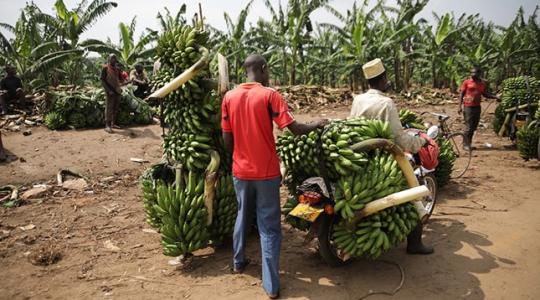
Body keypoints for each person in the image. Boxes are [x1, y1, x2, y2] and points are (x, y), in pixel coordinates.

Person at [221, 54, 327, 299]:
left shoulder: (229, 97)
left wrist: (240, 156)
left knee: (242, 215)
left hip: (240, 171)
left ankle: (238, 263)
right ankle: (271, 285)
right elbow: (293, 128)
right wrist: (316, 123)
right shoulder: (270, 95)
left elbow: (227, 140)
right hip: (266, 172)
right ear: (263, 68)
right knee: (268, 227)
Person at [350, 58, 434, 255]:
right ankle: (415, 243)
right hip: (384, 159)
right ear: (382, 79)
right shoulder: (386, 103)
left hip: (359, 157)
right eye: (386, 78)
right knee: (412, 190)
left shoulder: (358, 100)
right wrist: (421, 141)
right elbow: (400, 139)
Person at [458, 67, 500, 150]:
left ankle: (468, 143)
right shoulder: (467, 82)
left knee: (474, 126)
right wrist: (459, 106)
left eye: (474, 73)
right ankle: (465, 144)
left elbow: (485, 94)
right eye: (471, 73)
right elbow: (461, 94)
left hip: (477, 107)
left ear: (479, 74)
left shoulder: (481, 83)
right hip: (468, 106)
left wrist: (495, 97)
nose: (473, 74)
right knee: (468, 126)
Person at [100, 54, 124, 133]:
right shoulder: (105, 68)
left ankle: (113, 123)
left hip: (117, 90)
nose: (114, 60)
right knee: (109, 108)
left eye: (115, 58)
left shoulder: (117, 69)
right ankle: (107, 125)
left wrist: (125, 80)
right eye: (112, 58)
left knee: (115, 108)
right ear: (109, 59)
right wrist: (108, 90)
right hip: (109, 91)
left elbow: (121, 79)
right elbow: (102, 80)